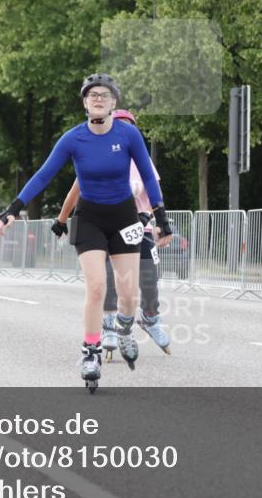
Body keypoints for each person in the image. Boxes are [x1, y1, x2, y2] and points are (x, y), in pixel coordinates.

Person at [0, 73, 172, 392]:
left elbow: (147, 174)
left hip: (125, 217)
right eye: (93, 95)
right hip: (90, 217)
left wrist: (161, 215)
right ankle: (90, 351)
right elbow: (43, 175)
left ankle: (124, 329)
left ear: (114, 102)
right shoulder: (73, 139)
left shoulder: (129, 136)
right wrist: (14, 208)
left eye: (105, 94)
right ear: (85, 103)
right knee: (96, 287)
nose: (99, 98)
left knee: (129, 293)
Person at [52, 108, 172, 360]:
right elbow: (74, 194)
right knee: (107, 278)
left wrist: (150, 217)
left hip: (140, 226)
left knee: (148, 279)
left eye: (129, 127)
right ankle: (109, 325)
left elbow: (154, 196)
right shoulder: (97, 159)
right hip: (105, 226)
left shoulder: (142, 160)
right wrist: (61, 220)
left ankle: (150, 317)